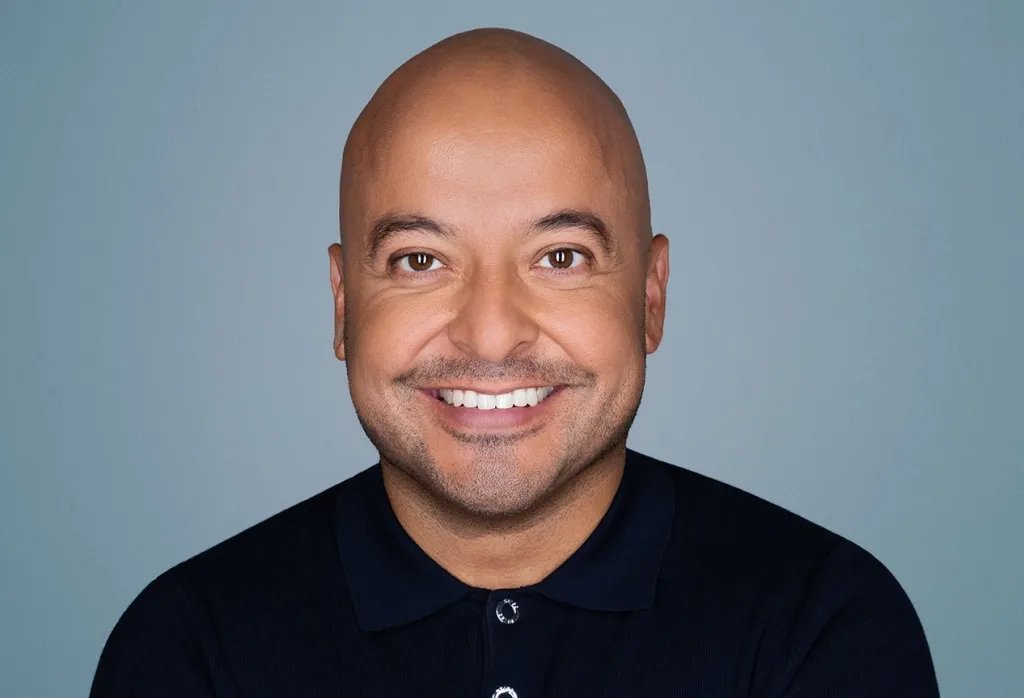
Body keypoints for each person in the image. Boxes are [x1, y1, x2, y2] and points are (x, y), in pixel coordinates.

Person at [91, 28, 939, 697]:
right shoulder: (191, 650)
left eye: (561, 257)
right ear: (343, 306)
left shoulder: (821, 626)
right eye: (420, 260)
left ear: (651, 296)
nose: (492, 336)